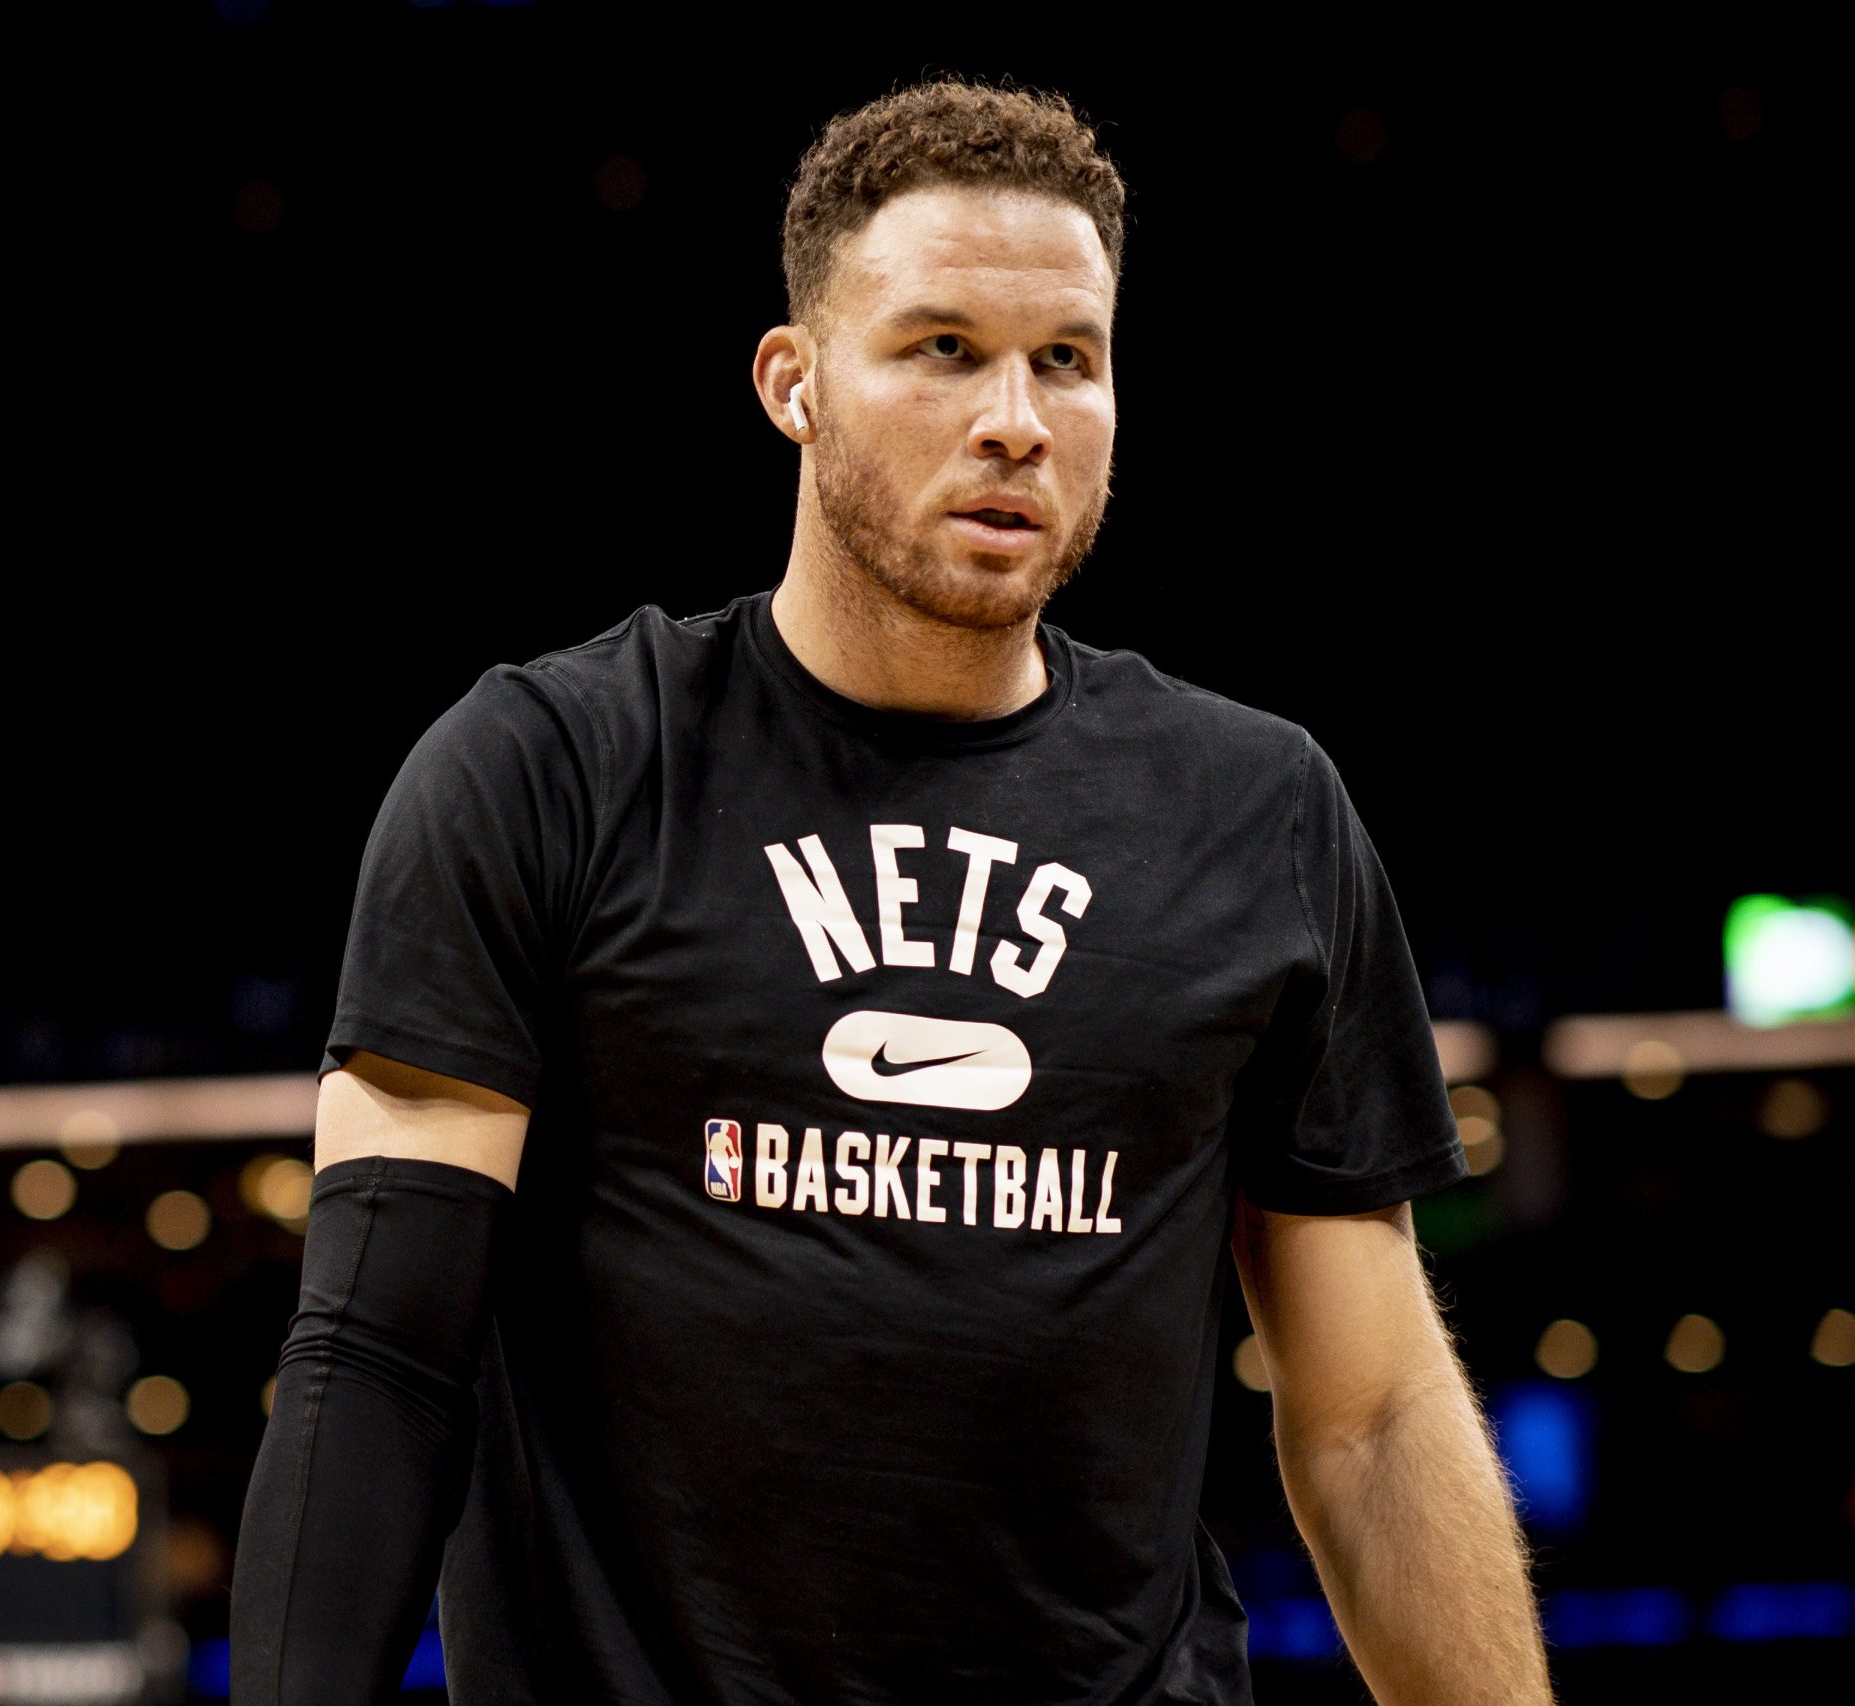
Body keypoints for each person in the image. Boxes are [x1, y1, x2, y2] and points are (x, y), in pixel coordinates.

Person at [231, 76, 1554, 1706]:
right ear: (794, 382)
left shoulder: (1256, 811)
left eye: (1067, 359)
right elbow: (378, 1357)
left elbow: (1368, 1418)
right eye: (943, 348)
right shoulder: (551, 769)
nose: (1016, 416)